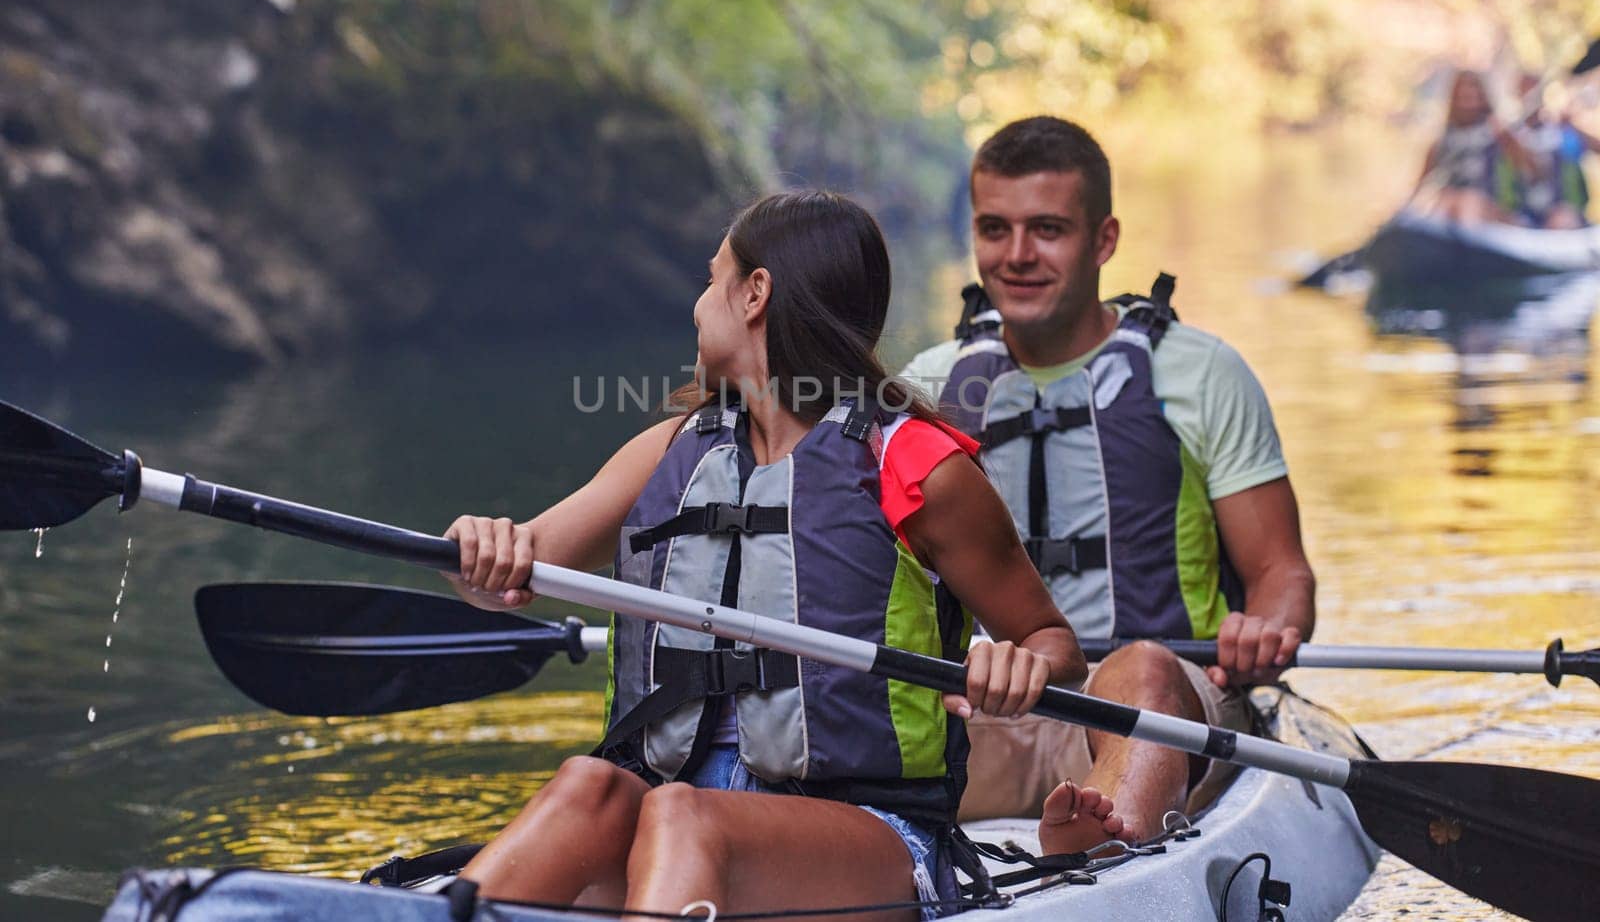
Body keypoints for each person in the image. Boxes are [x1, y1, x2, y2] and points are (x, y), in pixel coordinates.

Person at [444, 190, 1084, 919]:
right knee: (585, 787)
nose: (696, 306)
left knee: (686, 815)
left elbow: (1053, 643)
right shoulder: (674, 450)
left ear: (754, 294)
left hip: (868, 835)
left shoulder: (918, 469)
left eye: (711, 278)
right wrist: (478, 550)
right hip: (673, 815)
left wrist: (1021, 663)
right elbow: (507, 576)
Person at [900, 116, 1316, 855]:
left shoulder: (1201, 373)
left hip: (1166, 705)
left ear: (1104, 240)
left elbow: (1280, 571)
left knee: (1141, 667)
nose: (1018, 256)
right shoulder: (926, 388)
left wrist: (1266, 628)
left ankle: (1107, 856)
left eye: (1048, 230)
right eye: (995, 229)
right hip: (984, 717)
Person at [1416, 70, 1530, 225]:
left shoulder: (1497, 132)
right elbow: (1420, 184)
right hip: (1449, 202)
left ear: (1482, 98)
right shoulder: (1443, 139)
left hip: (1491, 208)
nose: (1467, 102)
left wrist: (1508, 139)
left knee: (1468, 203)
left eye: (1472, 96)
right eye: (1462, 97)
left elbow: (1528, 169)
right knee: (1445, 202)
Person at [1510, 71, 1598, 230]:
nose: (1531, 96)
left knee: (1562, 221)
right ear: (1517, 93)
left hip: (1563, 213)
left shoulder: (1562, 132)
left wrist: (1574, 126)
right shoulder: (1508, 135)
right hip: (1521, 214)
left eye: (1535, 90)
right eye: (1526, 89)